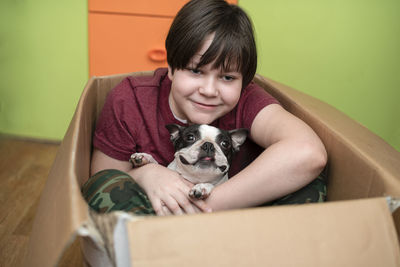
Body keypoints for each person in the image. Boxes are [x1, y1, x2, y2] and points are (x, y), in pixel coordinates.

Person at [82, 0, 327, 216]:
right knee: (106, 186)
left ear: (245, 82)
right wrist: (147, 175)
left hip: (238, 221)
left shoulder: (248, 101)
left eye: (227, 78)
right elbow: (102, 177)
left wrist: (207, 206)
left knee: (308, 183)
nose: (209, 90)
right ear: (171, 67)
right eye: (196, 70)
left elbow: (308, 152)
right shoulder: (130, 100)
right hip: (157, 219)